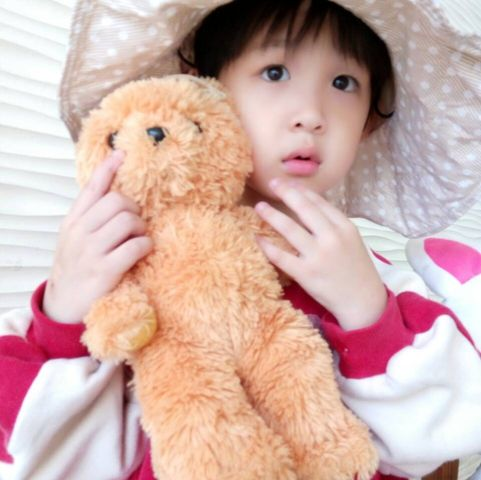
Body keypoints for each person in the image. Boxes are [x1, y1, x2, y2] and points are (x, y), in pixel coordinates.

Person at [1, 0, 480, 479]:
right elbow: (44, 456)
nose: (311, 115)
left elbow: (442, 436)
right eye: (274, 72)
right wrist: (65, 311)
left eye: (343, 83)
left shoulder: (370, 279)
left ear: (369, 121)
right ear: (203, 88)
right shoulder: (129, 259)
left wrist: (366, 311)